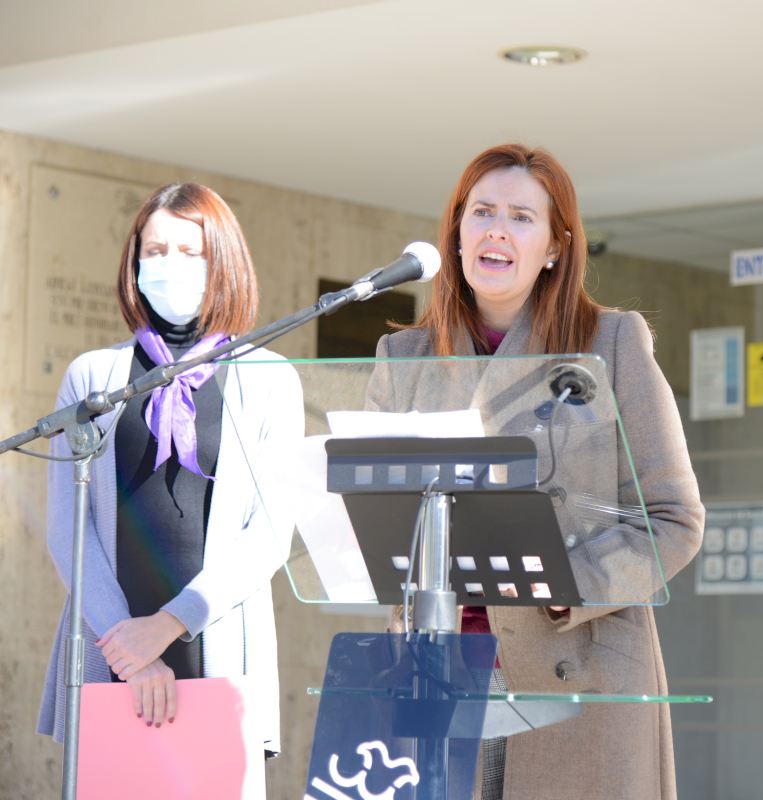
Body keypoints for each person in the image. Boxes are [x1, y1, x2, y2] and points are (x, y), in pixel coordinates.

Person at [367, 144, 704, 800]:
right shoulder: (402, 355)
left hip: (578, 676)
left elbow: (674, 519)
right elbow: (374, 516)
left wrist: (561, 585)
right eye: (482, 212)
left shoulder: (611, 342)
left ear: (554, 247)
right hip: (439, 677)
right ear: (457, 232)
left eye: (521, 217)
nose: (496, 230)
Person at [38, 182, 302, 759]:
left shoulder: (269, 378)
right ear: (134, 264)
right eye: (154, 251)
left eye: (190, 251)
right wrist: (130, 652)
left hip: (217, 643)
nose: (169, 265)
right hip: (110, 647)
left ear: (223, 261)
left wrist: (166, 626)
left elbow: (269, 534)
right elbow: (68, 530)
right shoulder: (93, 377)